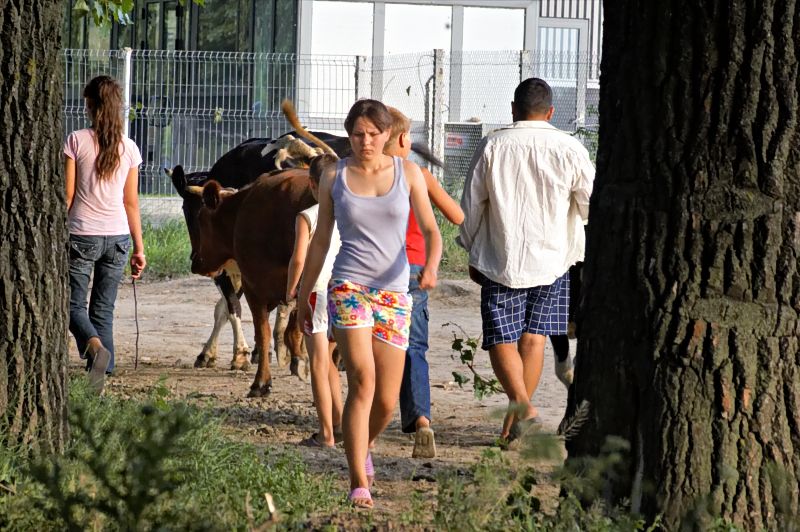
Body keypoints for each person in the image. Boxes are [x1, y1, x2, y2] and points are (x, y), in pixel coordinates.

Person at [297, 99, 442, 509]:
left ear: (387, 135)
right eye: (357, 135)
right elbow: (321, 240)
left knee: (386, 399)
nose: (365, 142)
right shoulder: (334, 177)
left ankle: (363, 445)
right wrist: (306, 294)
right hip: (349, 287)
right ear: (349, 136)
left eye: (373, 134)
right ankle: (358, 480)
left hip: (395, 292)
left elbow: (433, 231)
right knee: (362, 380)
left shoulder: (408, 173)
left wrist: (430, 266)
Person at [458, 78, 594, 444]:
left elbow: (472, 204)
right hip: (554, 260)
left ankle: (522, 408)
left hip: (502, 256)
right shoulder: (571, 148)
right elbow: (588, 204)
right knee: (534, 339)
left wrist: (470, 245)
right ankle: (516, 419)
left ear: (513, 109)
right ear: (550, 112)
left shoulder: (492, 145)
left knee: (501, 337)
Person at [383, 107, 464, 458]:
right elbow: (457, 216)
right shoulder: (418, 174)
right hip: (415, 266)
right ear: (402, 139)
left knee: (379, 345)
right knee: (414, 346)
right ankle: (422, 422)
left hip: (378, 268)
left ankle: (368, 420)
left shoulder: (366, 174)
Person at [65, 75, 146, 393]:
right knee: (103, 308)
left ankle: (96, 350)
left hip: (82, 235)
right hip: (118, 238)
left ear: (89, 105)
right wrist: (139, 248)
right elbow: (131, 203)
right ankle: (101, 375)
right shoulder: (129, 148)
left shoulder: (76, 141)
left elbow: (68, 196)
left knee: (72, 305)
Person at [286, 153, 343, 448]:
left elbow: (299, 259)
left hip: (316, 291)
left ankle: (326, 434)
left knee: (318, 364)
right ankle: (340, 422)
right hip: (344, 291)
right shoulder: (348, 213)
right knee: (331, 361)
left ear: (311, 184)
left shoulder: (307, 216)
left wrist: (291, 290)